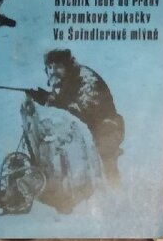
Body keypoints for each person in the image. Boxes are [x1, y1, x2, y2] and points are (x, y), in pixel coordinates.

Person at [33, 48, 124, 181]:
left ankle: (113, 187)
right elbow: (65, 100)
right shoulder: (67, 78)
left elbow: (83, 112)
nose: (52, 71)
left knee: (106, 167)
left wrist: (52, 102)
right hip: (92, 129)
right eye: (50, 67)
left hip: (107, 129)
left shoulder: (87, 80)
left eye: (58, 67)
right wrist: (45, 97)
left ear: (67, 66)